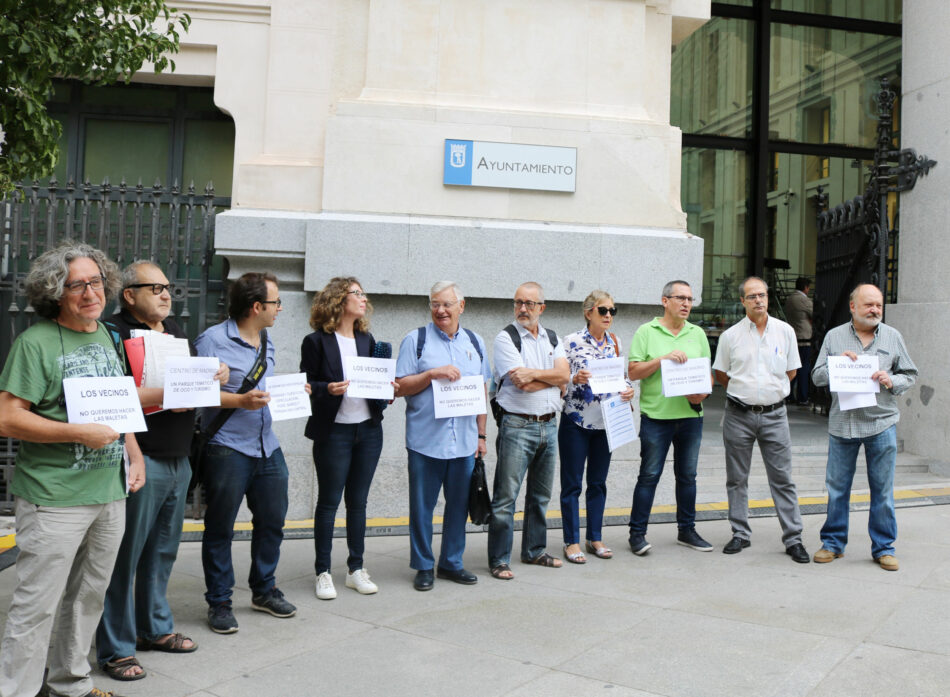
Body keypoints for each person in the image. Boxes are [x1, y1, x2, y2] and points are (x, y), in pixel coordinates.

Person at [0, 241, 146, 697]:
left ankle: (70, 683)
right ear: (55, 293)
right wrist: (77, 433)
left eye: (96, 282)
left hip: (109, 490)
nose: (90, 293)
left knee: (87, 597)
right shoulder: (35, 343)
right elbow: (7, 416)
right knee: (36, 605)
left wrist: (133, 451)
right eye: (76, 285)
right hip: (53, 497)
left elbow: (117, 403)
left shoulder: (108, 336)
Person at [96, 261, 229, 681]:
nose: (166, 294)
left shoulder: (171, 331)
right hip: (141, 457)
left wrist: (214, 374)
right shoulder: (112, 333)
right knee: (125, 557)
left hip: (177, 455)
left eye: (168, 287)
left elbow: (188, 384)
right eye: (155, 288)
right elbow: (114, 396)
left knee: (162, 552)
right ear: (129, 294)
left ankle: (153, 628)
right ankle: (116, 647)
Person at [195, 272, 308, 633]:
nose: (279, 309)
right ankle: (220, 602)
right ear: (257, 306)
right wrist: (239, 400)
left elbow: (265, 386)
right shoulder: (212, 341)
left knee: (273, 520)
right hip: (227, 447)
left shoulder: (266, 340)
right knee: (220, 527)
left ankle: (263, 589)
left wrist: (294, 388)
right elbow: (196, 394)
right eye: (275, 302)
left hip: (266, 444)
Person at [810, 283, 917, 571]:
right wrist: (837, 365)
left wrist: (891, 380)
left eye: (878, 305)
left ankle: (884, 548)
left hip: (881, 424)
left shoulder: (893, 337)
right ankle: (833, 543)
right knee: (837, 489)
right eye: (868, 304)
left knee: (882, 490)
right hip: (843, 425)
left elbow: (910, 374)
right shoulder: (834, 337)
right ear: (853, 307)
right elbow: (817, 376)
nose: (874, 310)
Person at [395, 281, 491, 591]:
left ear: (461, 306)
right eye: (435, 304)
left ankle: (451, 562)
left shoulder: (476, 343)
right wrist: (431, 374)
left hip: (463, 442)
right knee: (422, 507)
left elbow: (482, 391)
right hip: (425, 441)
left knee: (458, 506)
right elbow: (399, 387)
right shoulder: (416, 341)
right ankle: (423, 565)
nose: (441, 310)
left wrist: (481, 435)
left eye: (447, 304)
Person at [712, 276, 809, 563]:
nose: (759, 300)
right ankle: (740, 533)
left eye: (762, 295)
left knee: (782, 479)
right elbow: (722, 374)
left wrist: (768, 393)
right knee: (737, 478)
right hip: (738, 415)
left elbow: (791, 372)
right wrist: (746, 393)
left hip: (775, 415)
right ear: (742, 301)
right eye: (752, 296)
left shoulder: (785, 332)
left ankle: (793, 538)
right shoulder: (730, 337)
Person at [301, 277, 386, 600]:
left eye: (363, 293)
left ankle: (355, 569)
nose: (363, 298)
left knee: (358, 502)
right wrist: (327, 389)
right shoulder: (316, 342)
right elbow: (307, 384)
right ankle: (323, 571)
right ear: (339, 300)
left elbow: (373, 381)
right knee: (328, 502)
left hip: (367, 430)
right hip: (333, 430)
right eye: (356, 293)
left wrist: (386, 391)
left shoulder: (366, 339)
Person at [486, 282, 569, 580]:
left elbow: (565, 374)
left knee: (541, 495)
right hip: (517, 425)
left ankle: (534, 550)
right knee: (506, 497)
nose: (523, 309)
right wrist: (553, 378)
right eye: (519, 302)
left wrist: (538, 374)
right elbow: (522, 383)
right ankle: (499, 559)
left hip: (549, 423)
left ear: (541, 308)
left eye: (529, 304)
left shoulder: (553, 338)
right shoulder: (505, 338)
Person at [627, 280, 713, 555]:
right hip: (656, 418)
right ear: (665, 301)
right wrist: (663, 359)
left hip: (690, 416)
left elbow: (706, 375)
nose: (686, 303)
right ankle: (637, 534)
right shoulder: (646, 331)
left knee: (688, 477)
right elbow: (633, 372)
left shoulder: (697, 333)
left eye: (690, 299)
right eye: (680, 298)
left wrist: (702, 394)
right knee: (649, 476)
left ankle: (686, 531)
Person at [559, 290, 635, 564]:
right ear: (588, 312)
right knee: (571, 484)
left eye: (612, 311)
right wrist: (572, 378)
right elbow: (558, 381)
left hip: (606, 423)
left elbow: (623, 378)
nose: (608, 316)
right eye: (603, 310)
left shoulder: (615, 342)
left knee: (598, 483)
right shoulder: (570, 342)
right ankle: (571, 541)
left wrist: (629, 391)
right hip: (576, 422)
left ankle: (595, 537)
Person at [784, 277, 813, 405]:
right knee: (803, 368)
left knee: (792, 366)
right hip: (804, 337)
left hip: (793, 337)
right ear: (806, 287)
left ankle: (789, 395)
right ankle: (803, 396)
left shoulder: (789, 299)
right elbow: (814, 313)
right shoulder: (803, 300)